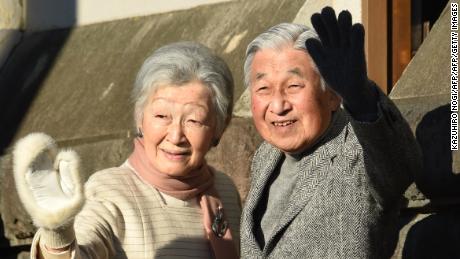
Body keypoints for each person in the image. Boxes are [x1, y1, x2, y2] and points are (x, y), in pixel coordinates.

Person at [13, 41, 240, 259]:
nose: (175, 136)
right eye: (161, 116)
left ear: (220, 126)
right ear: (139, 117)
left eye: (194, 120)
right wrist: (57, 230)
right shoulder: (110, 191)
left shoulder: (225, 190)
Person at [240, 7, 422, 258]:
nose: (279, 105)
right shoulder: (266, 156)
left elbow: (399, 166)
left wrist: (362, 99)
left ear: (333, 95)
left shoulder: (356, 150)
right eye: (263, 89)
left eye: (293, 86)